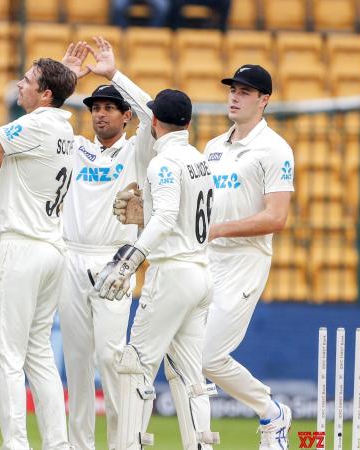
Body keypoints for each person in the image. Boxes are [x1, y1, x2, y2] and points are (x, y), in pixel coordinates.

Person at [0, 57, 78, 450]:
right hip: (51, 250)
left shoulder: (36, 125)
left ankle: (16, 445)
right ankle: (58, 445)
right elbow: (1, 147)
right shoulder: (64, 128)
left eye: (27, 81)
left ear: (46, 93)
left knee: (6, 357)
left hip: (20, 248)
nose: (19, 86)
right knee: (39, 355)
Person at [93, 89, 217, 450]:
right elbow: (184, 214)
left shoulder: (163, 163)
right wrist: (146, 207)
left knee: (135, 365)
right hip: (200, 271)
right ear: (188, 123)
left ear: (156, 123)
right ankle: (201, 446)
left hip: (172, 273)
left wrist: (129, 259)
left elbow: (165, 217)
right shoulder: (199, 159)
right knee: (187, 374)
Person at [58, 37, 154, 450]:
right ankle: (80, 445)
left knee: (112, 360)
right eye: (95, 108)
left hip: (115, 260)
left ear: (124, 115)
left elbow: (154, 115)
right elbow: (40, 121)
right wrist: (68, 81)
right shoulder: (77, 148)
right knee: (77, 364)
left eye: (109, 108)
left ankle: (122, 444)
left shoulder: (136, 150)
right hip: (72, 258)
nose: (100, 114)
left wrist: (113, 74)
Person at [201, 64, 294, 450]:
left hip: (244, 262)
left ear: (264, 100)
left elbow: (276, 217)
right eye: (233, 90)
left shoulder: (274, 149)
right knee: (189, 357)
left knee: (207, 356)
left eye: (245, 91)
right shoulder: (213, 147)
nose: (235, 97)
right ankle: (200, 439)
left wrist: (220, 229)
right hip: (206, 259)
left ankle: (272, 412)